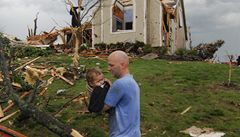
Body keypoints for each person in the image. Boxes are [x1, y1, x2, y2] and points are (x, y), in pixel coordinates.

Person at [103, 51, 141, 137]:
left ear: (123, 65)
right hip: (134, 133)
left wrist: (96, 89)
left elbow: (102, 107)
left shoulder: (120, 84)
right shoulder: (131, 81)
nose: (108, 69)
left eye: (111, 65)